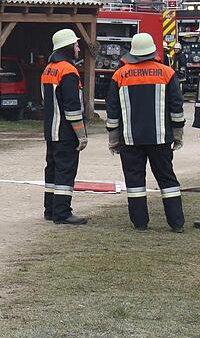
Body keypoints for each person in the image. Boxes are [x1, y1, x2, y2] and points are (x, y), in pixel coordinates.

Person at [106, 32, 186, 232]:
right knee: (167, 179)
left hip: (130, 138)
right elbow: (177, 107)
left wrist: (113, 138)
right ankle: (176, 223)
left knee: (134, 181)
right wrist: (177, 135)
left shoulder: (119, 75)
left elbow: (112, 110)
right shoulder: (167, 73)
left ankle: (140, 223)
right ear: (152, 51)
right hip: (160, 138)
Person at [41, 28, 89, 225]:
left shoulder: (48, 69)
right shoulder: (68, 71)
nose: (78, 48)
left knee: (52, 170)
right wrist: (81, 134)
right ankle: (62, 213)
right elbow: (72, 107)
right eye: (76, 44)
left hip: (51, 130)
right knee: (65, 171)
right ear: (68, 47)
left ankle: (50, 210)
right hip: (65, 132)